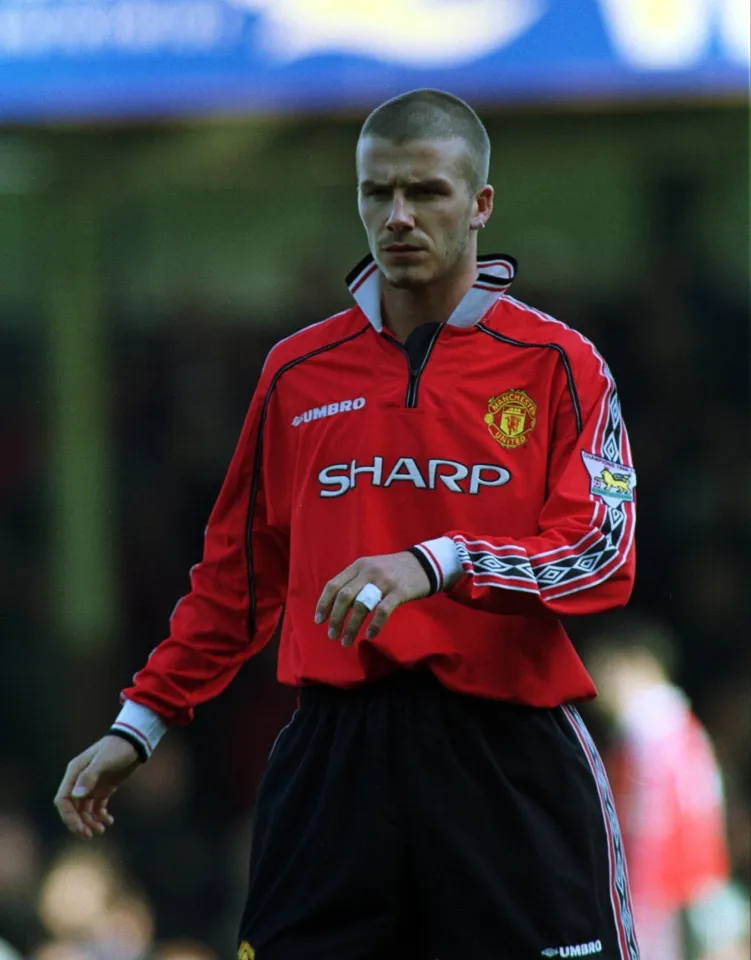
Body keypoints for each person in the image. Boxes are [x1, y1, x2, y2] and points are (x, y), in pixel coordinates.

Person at [54, 89, 640, 960]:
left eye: (427, 192)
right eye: (377, 193)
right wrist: (140, 722)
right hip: (335, 760)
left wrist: (436, 561)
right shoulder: (297, 372)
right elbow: (236, 579)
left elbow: (600, 555)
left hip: (503, 751)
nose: (398, 216)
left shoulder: (559, 365)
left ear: (480, 204)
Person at [585, 615, 735, 960]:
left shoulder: (648, 730)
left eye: (605, 668)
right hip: (695, 889)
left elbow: (649, 831)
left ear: (637, 663)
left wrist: (635, 911)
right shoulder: (681, 724)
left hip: (665, 900)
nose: (598, 685)